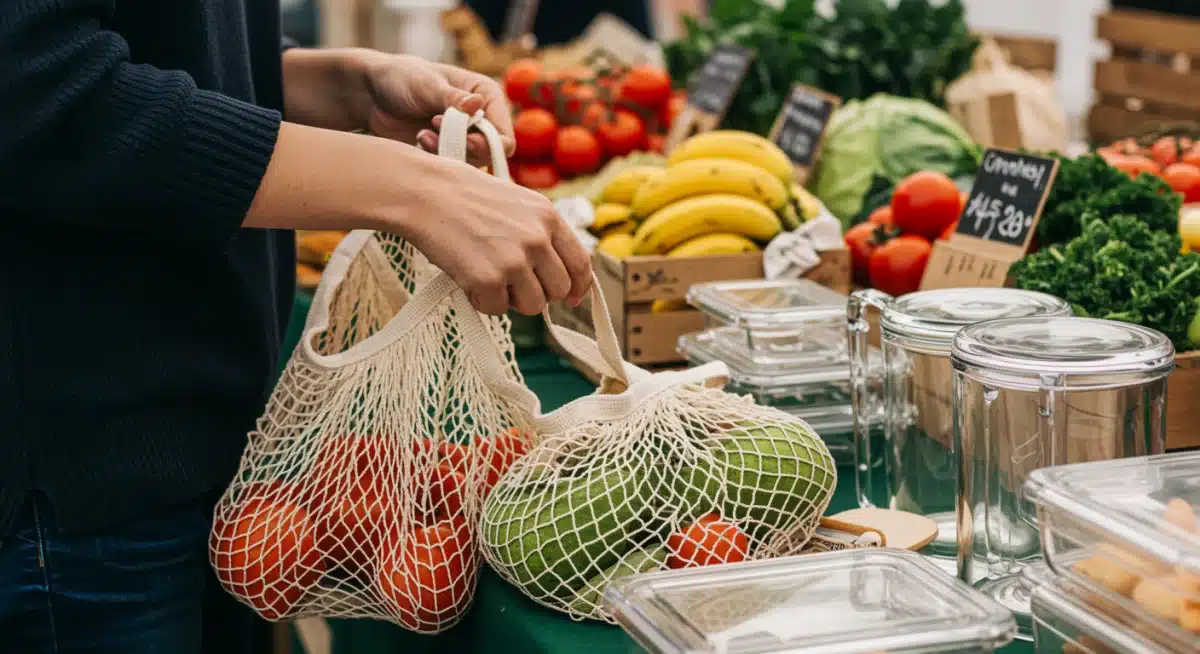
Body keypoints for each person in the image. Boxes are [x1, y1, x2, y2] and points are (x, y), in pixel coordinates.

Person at [0, 1, 592, 652]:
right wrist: (413, 192)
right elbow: (38, 90)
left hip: (195, 453)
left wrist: (342, 83)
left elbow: (163, 39)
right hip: (70, 491)